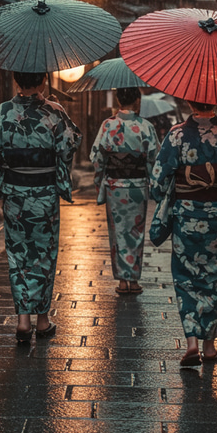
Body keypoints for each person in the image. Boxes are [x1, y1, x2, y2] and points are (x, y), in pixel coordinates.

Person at [0, 71, 81, 344]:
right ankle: (42, 319)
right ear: (44, 80)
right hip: (45, 193)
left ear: (16, 80)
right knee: (44, 254)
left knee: (17, 254)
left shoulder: (2, 112)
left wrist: (10, 164)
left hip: (15, 193)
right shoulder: (54, 112)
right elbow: (69, 146)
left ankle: (23, 321)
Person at [150, 100, 217, 366]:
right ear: (216, 101)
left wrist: (165, 191)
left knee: (186, 275)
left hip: (187, 216)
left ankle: (191, 342)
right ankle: (210, 346)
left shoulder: (178, 134)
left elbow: (159, 177)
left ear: (190, 101)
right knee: (215, 278)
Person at [90, 86, 160, 295]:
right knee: (136, 231)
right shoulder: (146, 126)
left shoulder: (108, 125)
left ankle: (122, 280)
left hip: (115, 186)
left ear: (118, 100)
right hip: (137, 185)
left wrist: (99, 182)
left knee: (118, 233)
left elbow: (97, 158)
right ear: (137, 100)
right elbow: (153, 159)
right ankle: (134, 279)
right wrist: (152, 181)